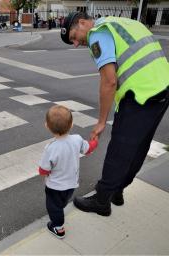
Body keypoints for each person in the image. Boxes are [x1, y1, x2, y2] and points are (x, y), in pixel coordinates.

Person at [60, 12, 169, 216]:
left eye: (74, 37)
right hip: (162, 88)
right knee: (139, 146)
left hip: (140, 94)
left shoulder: (97, 33)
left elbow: (109, 81)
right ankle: (117, 190)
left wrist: (101, 121)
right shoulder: (123, 22)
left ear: (82, 23)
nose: (75, 44)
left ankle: (102, 200)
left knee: (119, 149)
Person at [38, 105, 98, 238]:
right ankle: (61, 206)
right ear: (71, 125)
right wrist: (94, 141)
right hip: (71, 184)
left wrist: (46, 173)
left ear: (47, 126)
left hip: (55, 186)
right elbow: (88, 149)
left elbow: (43, 169)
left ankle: (58, 227)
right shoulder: (77, 139)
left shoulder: (51, 148)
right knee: (62, 201)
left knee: (54, 207)